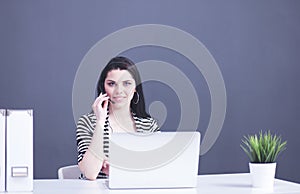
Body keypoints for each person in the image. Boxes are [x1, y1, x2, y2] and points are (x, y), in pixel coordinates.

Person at [76, 56, 160, 180]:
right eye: (111, 84)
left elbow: (158, 169)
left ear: (135, 87)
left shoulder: (149, 125)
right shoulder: (88, 122)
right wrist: (100, 121)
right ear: (103, 87)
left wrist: (119, 170)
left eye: (126, 83)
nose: (119, 90)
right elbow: (90, 172)